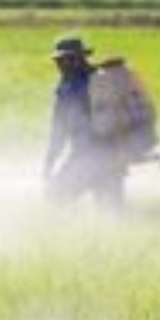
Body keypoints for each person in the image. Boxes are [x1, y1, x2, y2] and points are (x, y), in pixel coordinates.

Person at [42, 36, 127, 211]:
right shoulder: (101, 77)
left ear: (74, 60)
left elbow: (59, 130)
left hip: (87, 157)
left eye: (61, 60)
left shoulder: (69, 88)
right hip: (116, 156)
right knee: (111, 212)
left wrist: (49, 162)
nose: (58, 65)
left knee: (55, 197)